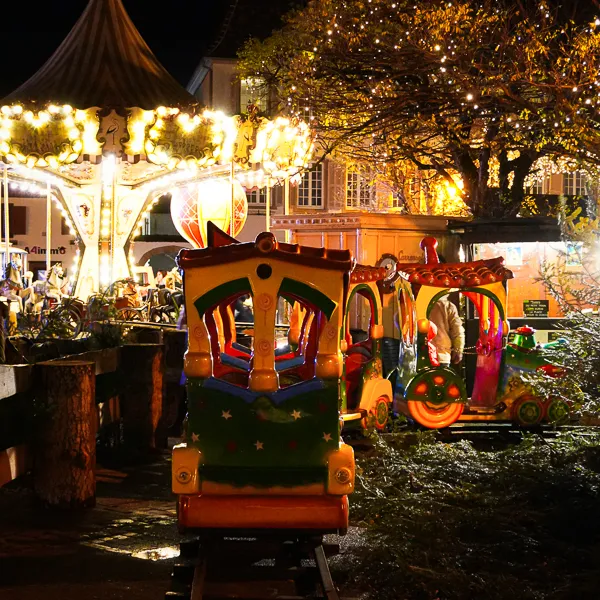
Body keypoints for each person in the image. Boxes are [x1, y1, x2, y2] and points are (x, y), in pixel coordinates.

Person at [429, 295, 464, 368]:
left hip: (421, 354)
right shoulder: (448, 306)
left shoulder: (418, 304)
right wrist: (458, 350)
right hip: (442, 355)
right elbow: (457, 330)